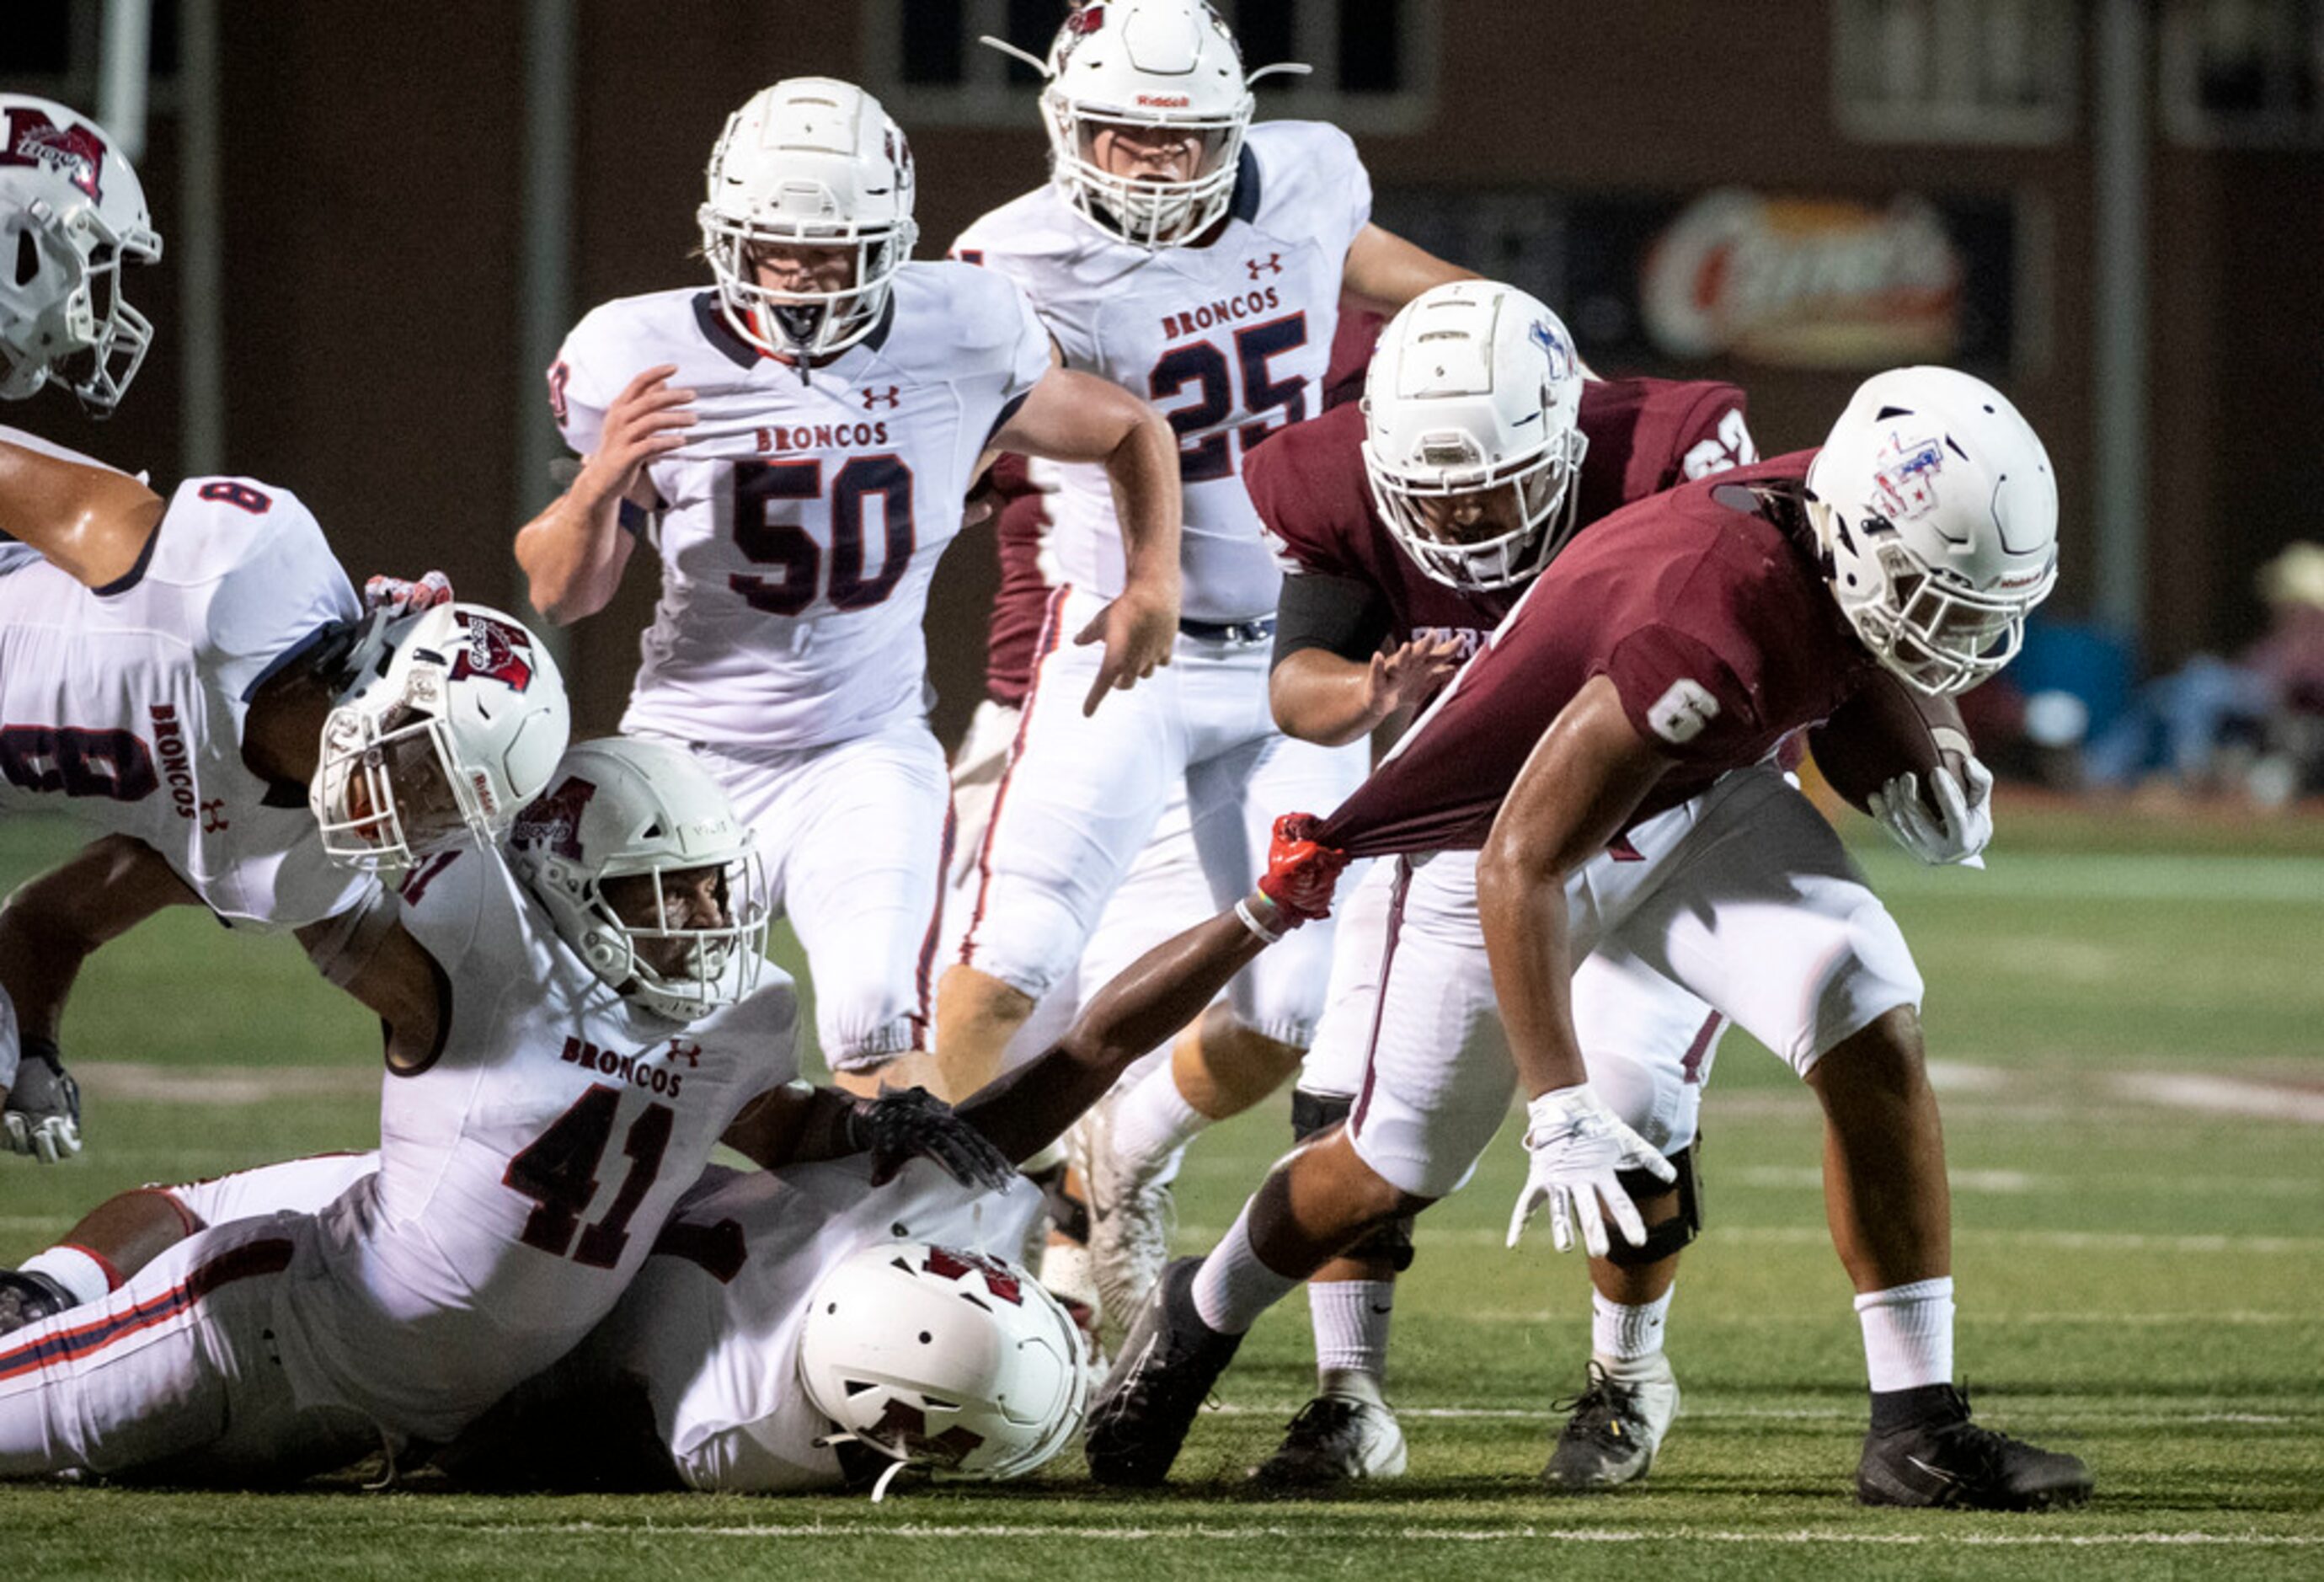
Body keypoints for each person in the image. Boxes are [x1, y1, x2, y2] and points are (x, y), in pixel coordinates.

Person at [1083, 365, 2096, 1512]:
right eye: (1933, 593)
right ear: (1858, 534)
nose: (1955, 628)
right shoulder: (1704, 624)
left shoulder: (1834, 510)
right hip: (1491, 839)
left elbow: (1859, 656)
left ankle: (1916, 1424)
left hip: (1683, 799)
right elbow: (1525, 858)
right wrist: (1559, 1100)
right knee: (1394, 1160)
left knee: (1860, 998)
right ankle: (1199, 1308)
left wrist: (1929, 755)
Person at [0, 806, 1354, 1495]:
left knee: (191, 1215)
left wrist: (1252, 916)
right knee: (172, 1259)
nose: (708, 913)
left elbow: (1084, 1054)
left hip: (436, 1298)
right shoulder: (750, 1421)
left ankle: (51, 1291)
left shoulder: (738, 1061)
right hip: (369, 1312)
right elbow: (1086, 1057)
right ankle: (44, 1296)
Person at [0, 735, 1013, 1485]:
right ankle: (41, 1296)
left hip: (383, 1410)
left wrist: (862, 1123)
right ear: (569, 890)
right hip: (261, 1335)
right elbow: (288, 877)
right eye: (669, 891)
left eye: (715, 887)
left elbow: (772, 1127)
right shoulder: (487, 971)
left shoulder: (743, 1020)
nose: (709, 919)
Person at [1169, 278, 1753, 1488]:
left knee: (1635, 1109)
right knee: (1351, 1109)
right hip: (1447, 821)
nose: (1466, 512)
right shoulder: (1328, 480)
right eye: (1432, 487)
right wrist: (1372, 697)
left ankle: (1627, 1377)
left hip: (1648, 819)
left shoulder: (1661, 451)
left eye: (1491, 479)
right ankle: (1346, 1397)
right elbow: (1298, 687)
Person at [518, 77, 1182, 1103]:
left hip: (860, 748)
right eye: (769, 242)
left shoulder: (957, 327)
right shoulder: (635, 350)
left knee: (877, 1022)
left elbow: (1127, 424)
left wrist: (1152, 576)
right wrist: (601, 484)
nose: (795, 271)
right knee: (622, 1046)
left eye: (825, 246)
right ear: (721, 231)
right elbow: (564, 594)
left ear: (890, 238)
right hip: (686, 751)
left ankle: (897, 1252)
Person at [938, 0, 1474, 1195]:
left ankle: (1112, 1159)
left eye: (1182, 137)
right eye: (1123, 132)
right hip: (1120, 650)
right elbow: (969, 422)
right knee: (1009, 949)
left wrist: (1482, 314)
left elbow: (1354, 254)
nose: (1153, 160)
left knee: (1288, 1009)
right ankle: (907, 1215)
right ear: (1066, 122)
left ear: (1233, 127)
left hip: (1294, 652)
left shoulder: (1305, 171)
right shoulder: (1007, 256)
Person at [0, 453, 570, 1159]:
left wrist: (32, 1044)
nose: (412, 816)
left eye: (444, 811)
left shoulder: (297, 857)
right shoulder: (246, 577)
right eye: (426, 776)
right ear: (386, 681)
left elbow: (48, 923)